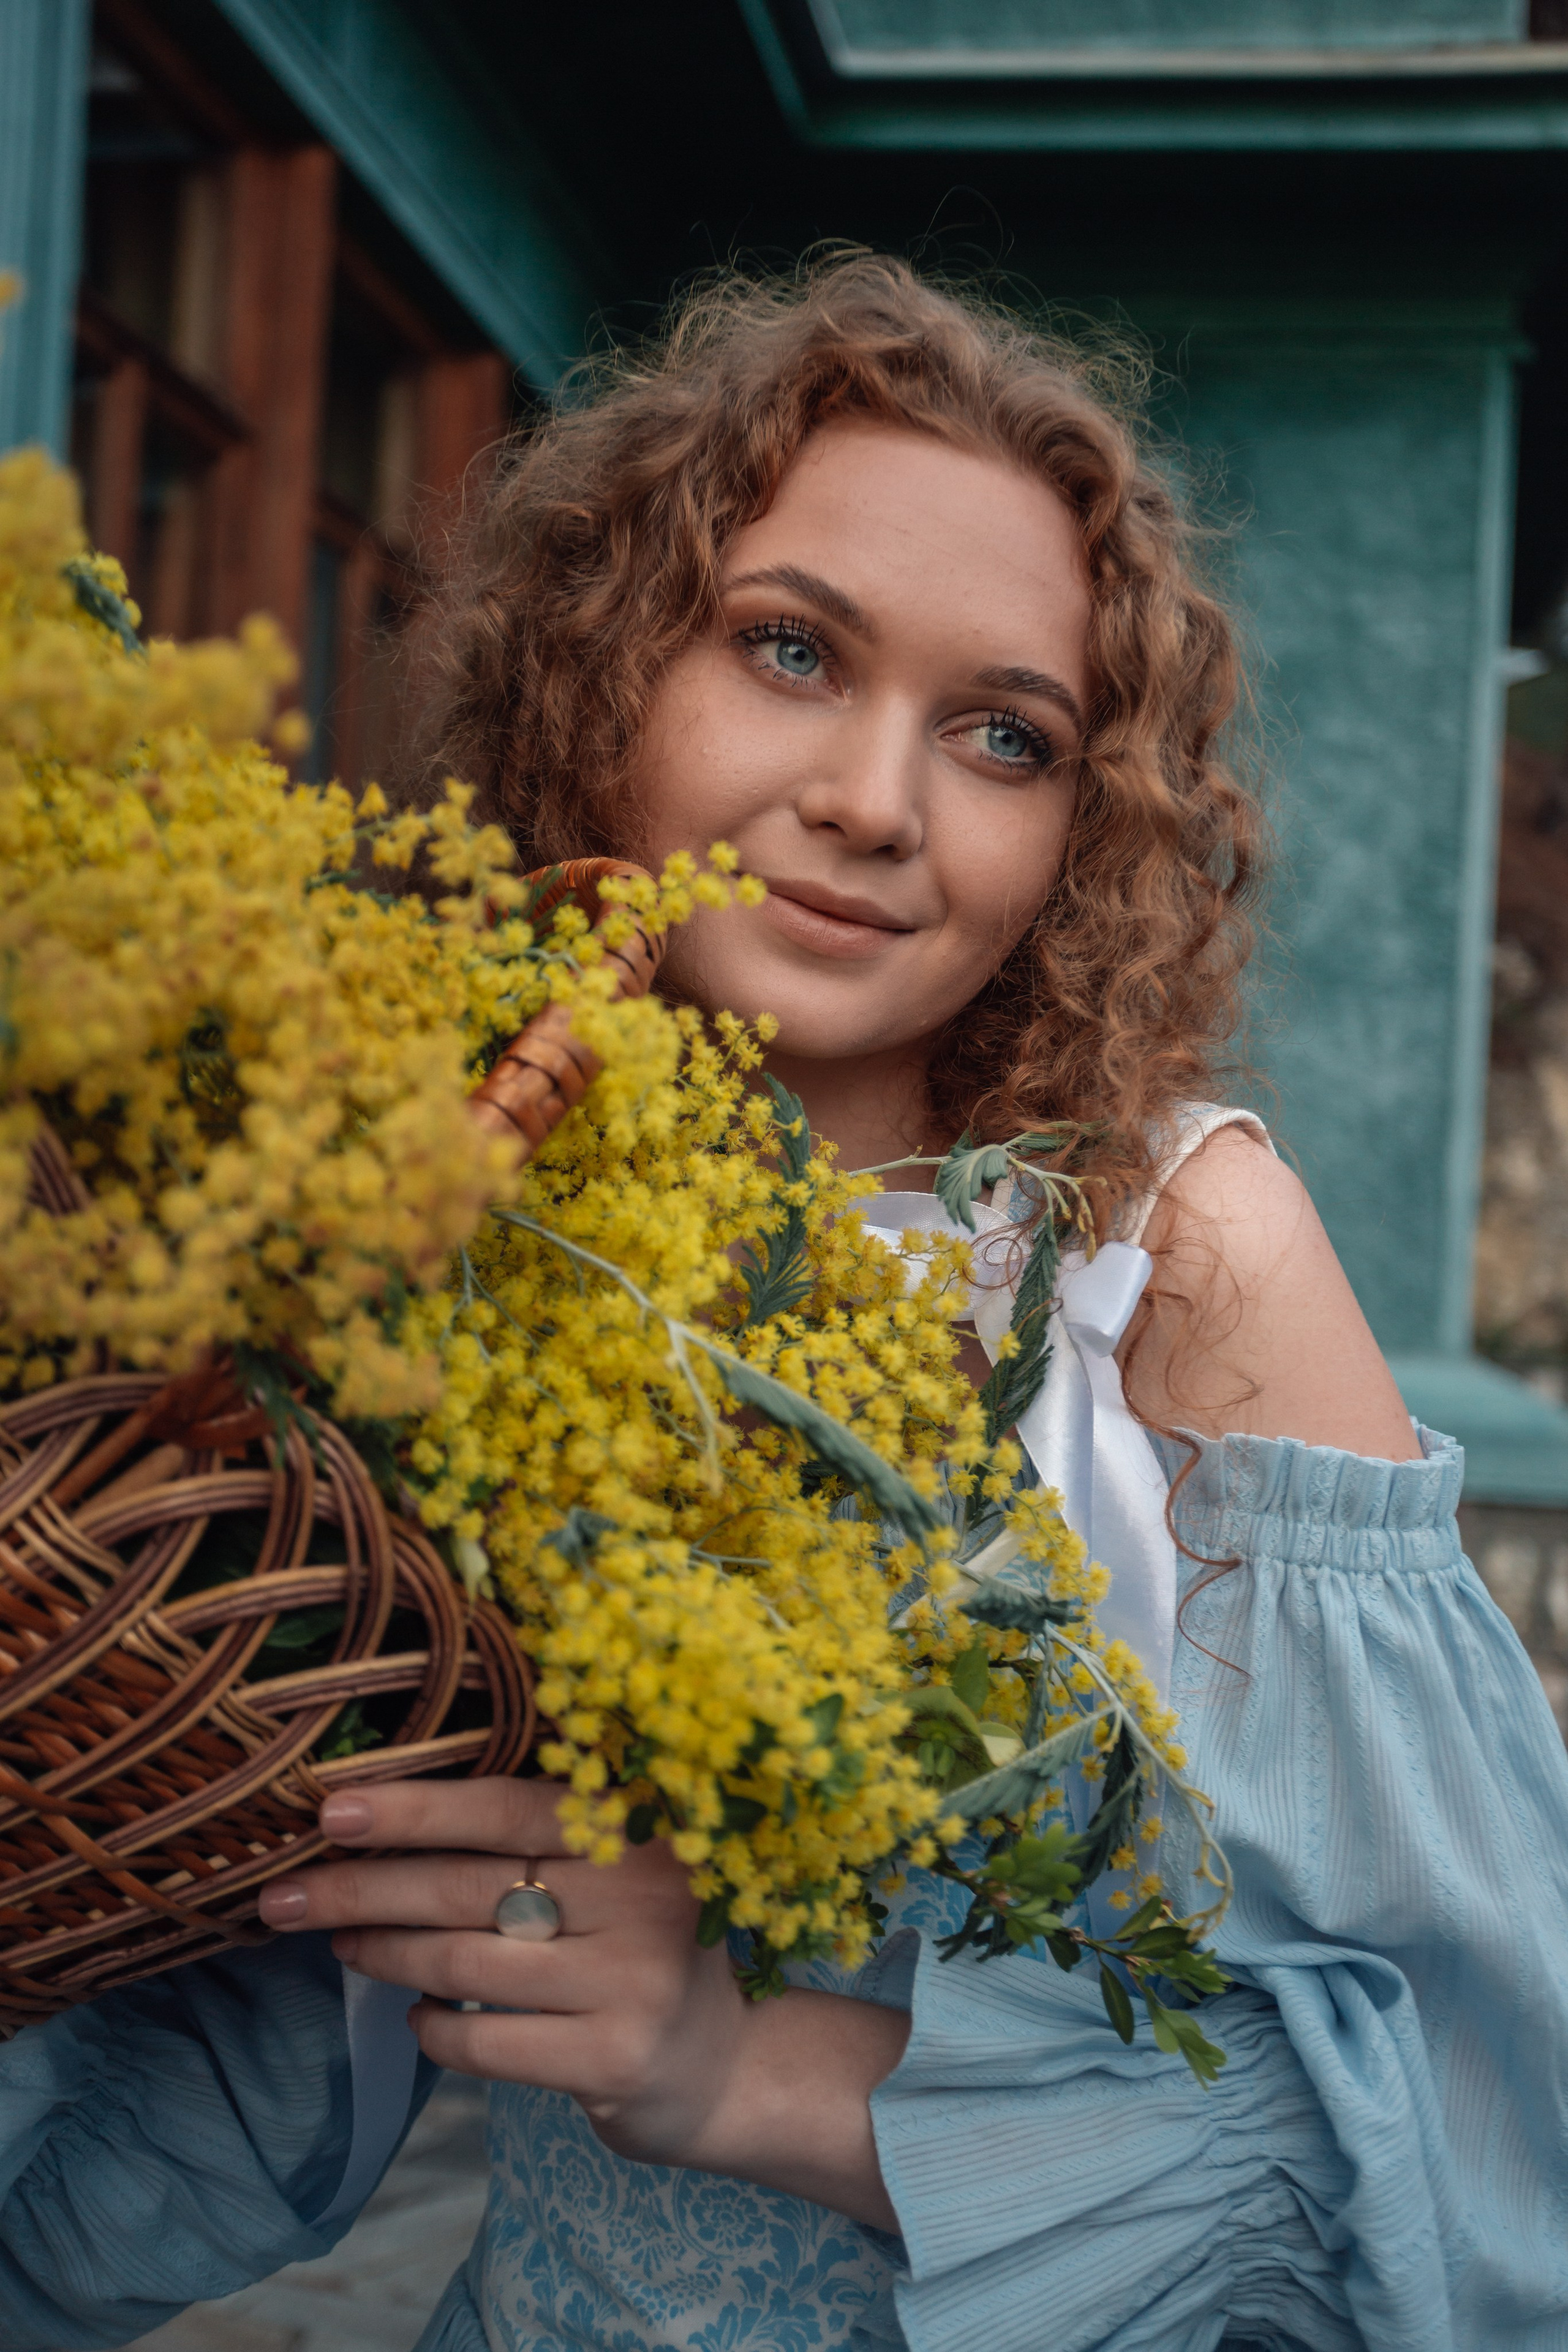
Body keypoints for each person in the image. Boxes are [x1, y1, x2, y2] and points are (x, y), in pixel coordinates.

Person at [5, 254, 1567, 2352]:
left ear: (1077, 833)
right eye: (790, 650)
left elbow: (1483, 2158)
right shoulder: (428, 1223)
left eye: (1003, 735)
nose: (875, 800)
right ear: (599, 666)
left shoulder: (1164, 1257)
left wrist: (744, 2070)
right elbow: (246, 2023)